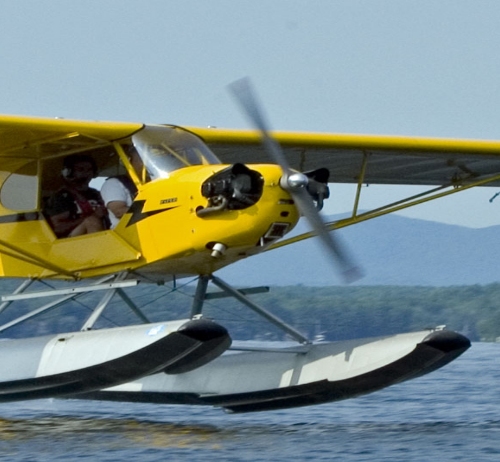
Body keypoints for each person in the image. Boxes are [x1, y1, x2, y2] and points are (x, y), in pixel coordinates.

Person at [44, 154, 108, 238]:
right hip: (71, 241)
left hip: (103, 233)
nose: (86, 173)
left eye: (89, 170)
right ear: (69, 172)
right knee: (92, 221)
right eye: (81, 170)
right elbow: (57, 228)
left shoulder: (96, 193)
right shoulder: (62, 197)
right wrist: (94, 216)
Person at [100, 149, 141, 228]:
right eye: (141, 159)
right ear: (128, 161)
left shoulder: (151, 182)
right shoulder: (113, 183)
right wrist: (151, 212)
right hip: (127, 232)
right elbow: (119, 212)